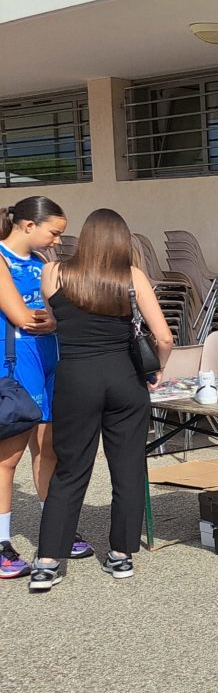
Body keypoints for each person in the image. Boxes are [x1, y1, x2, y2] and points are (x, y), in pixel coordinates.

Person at [28, 209, 172, 592]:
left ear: (85, 237)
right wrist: (157, 370)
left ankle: (47, 562)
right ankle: (121, 555)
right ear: (122, 241)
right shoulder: (131, 277)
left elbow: (58, 319)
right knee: (128, 468)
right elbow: (164, 337)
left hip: (76, 378)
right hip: (125, 378)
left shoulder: (53, 272)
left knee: (70, 468)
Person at [0, 196, 95, 580]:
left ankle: (54, 530)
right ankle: (2, 542)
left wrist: (53, 320)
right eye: (53, 232)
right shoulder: (1, 260)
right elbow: (24, 318)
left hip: (51, 363)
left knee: (49, 449)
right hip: (16, 366)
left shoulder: (41, 261)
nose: (57, 241)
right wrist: (52, 320)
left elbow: (58, 313)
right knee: (8, 458)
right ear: (28, 225)